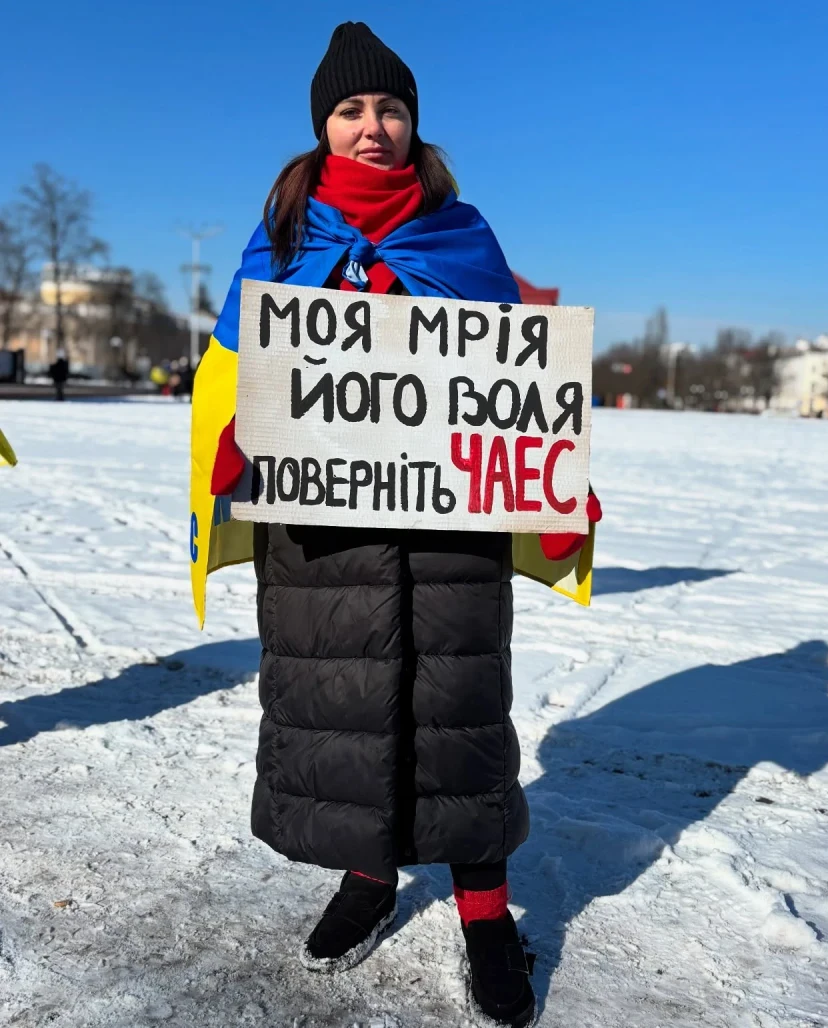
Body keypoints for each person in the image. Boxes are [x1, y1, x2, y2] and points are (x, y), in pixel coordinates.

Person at [201, 23, 601, 1027]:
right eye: (350, 110)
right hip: (323, 542)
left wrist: (556, 479)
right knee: (347, 711)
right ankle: (369, 876)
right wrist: (232, 443)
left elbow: (519, 378)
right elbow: (231, 371)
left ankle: (486, 914)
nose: (372, 127)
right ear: (323, 126)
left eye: (389, 109)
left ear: (413, 123)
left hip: (452, 533)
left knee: (460, 719)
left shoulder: (460, 233)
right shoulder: (284, 236)